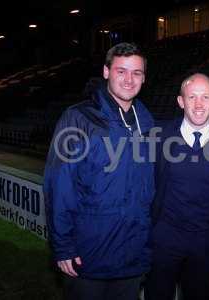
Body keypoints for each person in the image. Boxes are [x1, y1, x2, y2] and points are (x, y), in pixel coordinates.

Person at [43, 42, 155, 300]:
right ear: (106, 72)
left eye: (136, 73)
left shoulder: (147, 125)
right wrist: (63, 246)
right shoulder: (78, 119)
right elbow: (59, 187)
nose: (129, 79)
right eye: (121, 71)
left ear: (144, 78)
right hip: (88, 258)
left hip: (133, 258)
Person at [144, 73, 209, 300]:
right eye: (192, 97)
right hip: (165, 238)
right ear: (181, 101)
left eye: (205, 97)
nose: (199, 104)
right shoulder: (158, 137)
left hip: (206, 242)